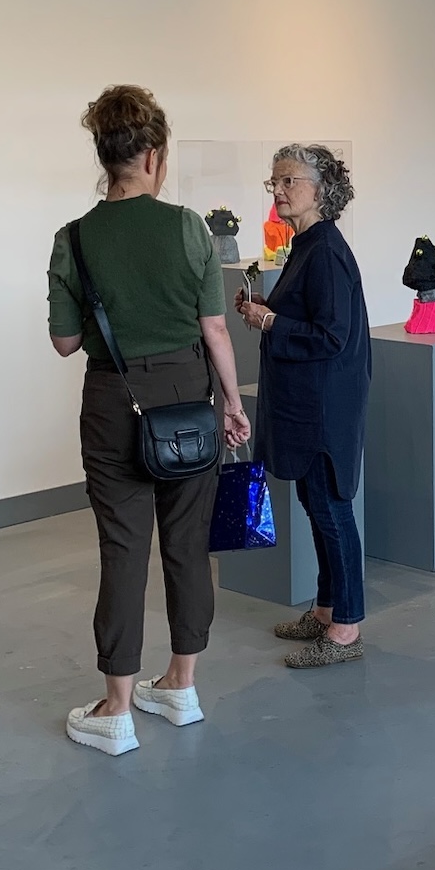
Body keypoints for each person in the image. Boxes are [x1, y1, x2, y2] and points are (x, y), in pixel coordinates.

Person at [48, 86, 251, 757]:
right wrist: (232, 402)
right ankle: (182, 687)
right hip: (189, 395)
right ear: (155, 155)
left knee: (122, 549)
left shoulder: (73, 239)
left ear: (105, 156)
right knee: (187, 544)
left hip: (114, 402)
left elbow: (66, 343)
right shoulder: (189, 227)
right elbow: (215, 327)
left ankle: (117, 708)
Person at [235, 145, 371, 668]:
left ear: (321, 188)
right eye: (274, 183)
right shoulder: (307, 246)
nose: (278, 191)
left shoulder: (327, 251)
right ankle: (325, 610)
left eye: (288, 181)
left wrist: (270, 322)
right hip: (309, 402)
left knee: (332, 511)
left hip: (323, 406)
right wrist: (268, 310)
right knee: (318, 508)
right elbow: (311, 319)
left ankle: (345, 630)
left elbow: (331, 336)